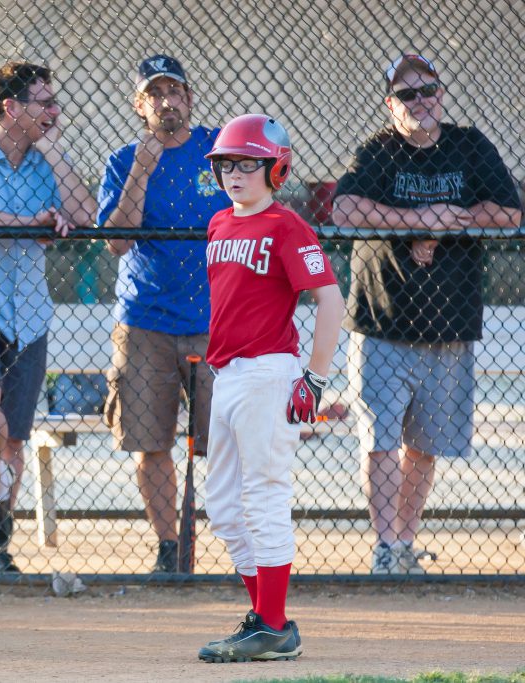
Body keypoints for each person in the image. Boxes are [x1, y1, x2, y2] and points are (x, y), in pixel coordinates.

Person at [332, 54, 522, 575]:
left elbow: (508, 212)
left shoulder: (469, 145)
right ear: (390, 104)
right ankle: (386, 547)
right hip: (382, 319)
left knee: (424, 446)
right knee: (380, 440)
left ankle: (405, 543)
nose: (420, 101)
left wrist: (440, 225)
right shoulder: (378, 151)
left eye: (428, 90)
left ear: (441, 93)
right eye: (407, 94)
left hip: (448, 325)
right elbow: (344, 209)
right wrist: (414, 218)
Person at [0, 62, 96, 573]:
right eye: (44, 102)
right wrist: (24, 222)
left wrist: (51, 150)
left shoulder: (50, 163)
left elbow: (86, 215)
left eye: (55, 102)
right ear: (11, 107)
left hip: (28, 313)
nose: (55, 111)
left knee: (15, 440)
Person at [198, 114, 344, 662]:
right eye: (226, 165)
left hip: (268, 372)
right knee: (224, 508)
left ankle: (272, 623)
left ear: (275, 167)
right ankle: (267, 621)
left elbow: (330, 301)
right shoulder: (218, 224)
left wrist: (315, 375)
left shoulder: (286, 226)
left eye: (248, 164)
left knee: (263, 499)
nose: (234, 174)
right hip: (228, 375)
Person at [97, 54, 231, 572]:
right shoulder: (123, 160)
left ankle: (234, 542)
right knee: (150, 442)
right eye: (155, 94)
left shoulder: (218, 149)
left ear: (190, 98)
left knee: (223, 442)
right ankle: (168, 547)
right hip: (146, 318)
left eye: (175, 91)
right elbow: (116, 241)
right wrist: (142, 168)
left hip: (215, 319)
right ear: (140, 105)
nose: (167, 102)